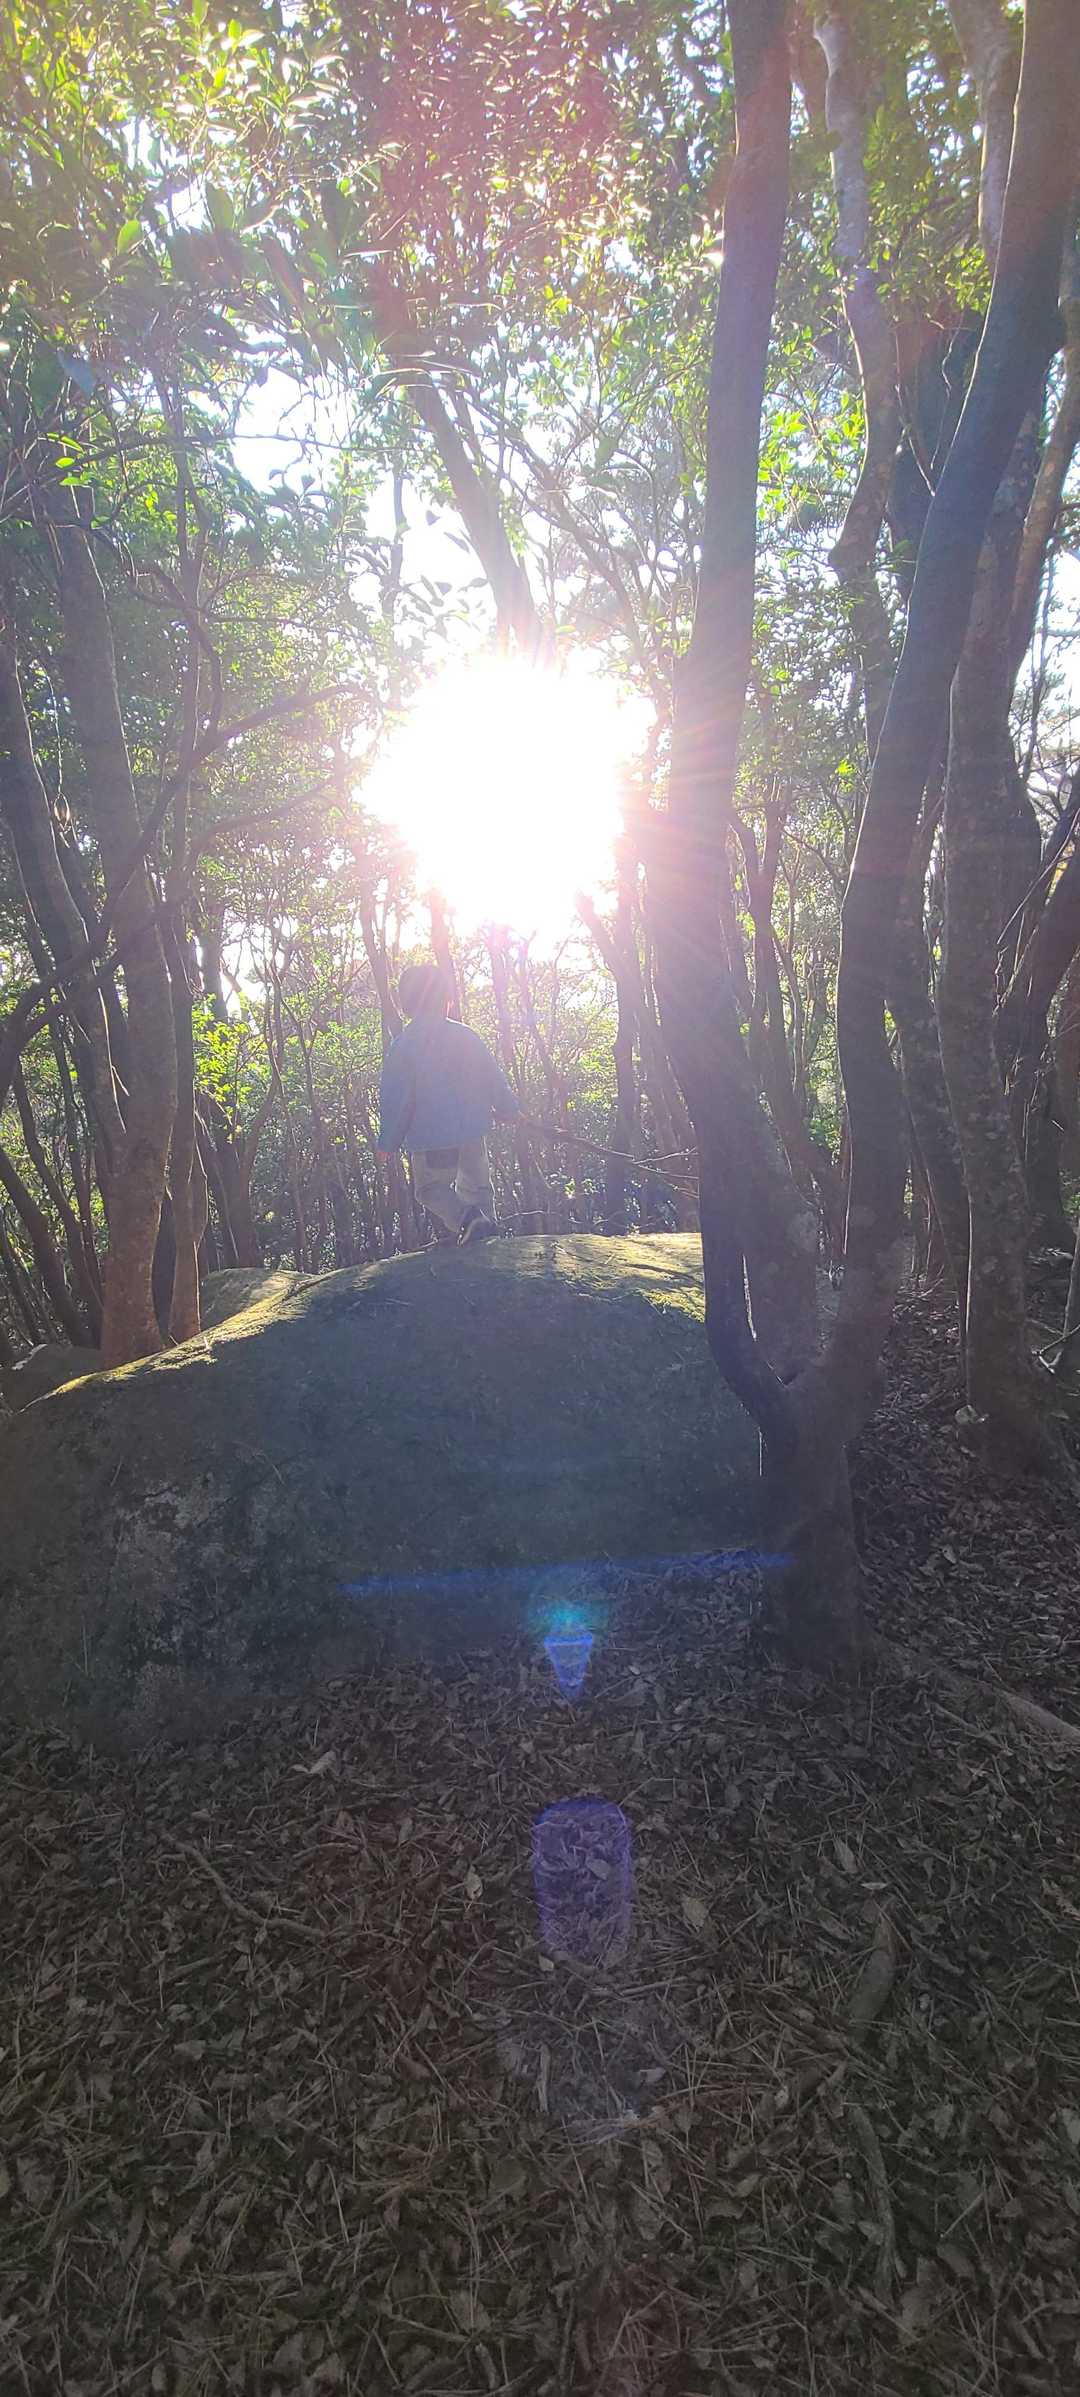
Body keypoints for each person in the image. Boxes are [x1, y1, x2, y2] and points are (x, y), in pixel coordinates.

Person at [377, 962, 520, 1243]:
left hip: (432, 1138)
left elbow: (397, 1100)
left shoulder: (403, 1046)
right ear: (446, 1000)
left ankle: (468, 1220)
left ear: (406, 1004)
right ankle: (487, 1234)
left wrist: (388, 1142)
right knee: (479, 1189)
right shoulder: (466, 1036)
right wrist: (509, 1109)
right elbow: (492, 1076)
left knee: (430, 1189)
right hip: (472, 1132)